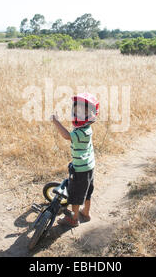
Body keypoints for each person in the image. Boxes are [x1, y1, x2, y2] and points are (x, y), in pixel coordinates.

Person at [50, 93, 99, 227]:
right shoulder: (87, 128)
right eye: (76, 110)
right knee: (87, 191)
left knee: (76, 196)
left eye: (82, 112)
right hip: (89, 167)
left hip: (80, 169)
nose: (77, 114)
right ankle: (86, 213)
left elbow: (66, 136)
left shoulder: (80, 133)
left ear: (90, 115)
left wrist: (56, 121)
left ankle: (73, 218)